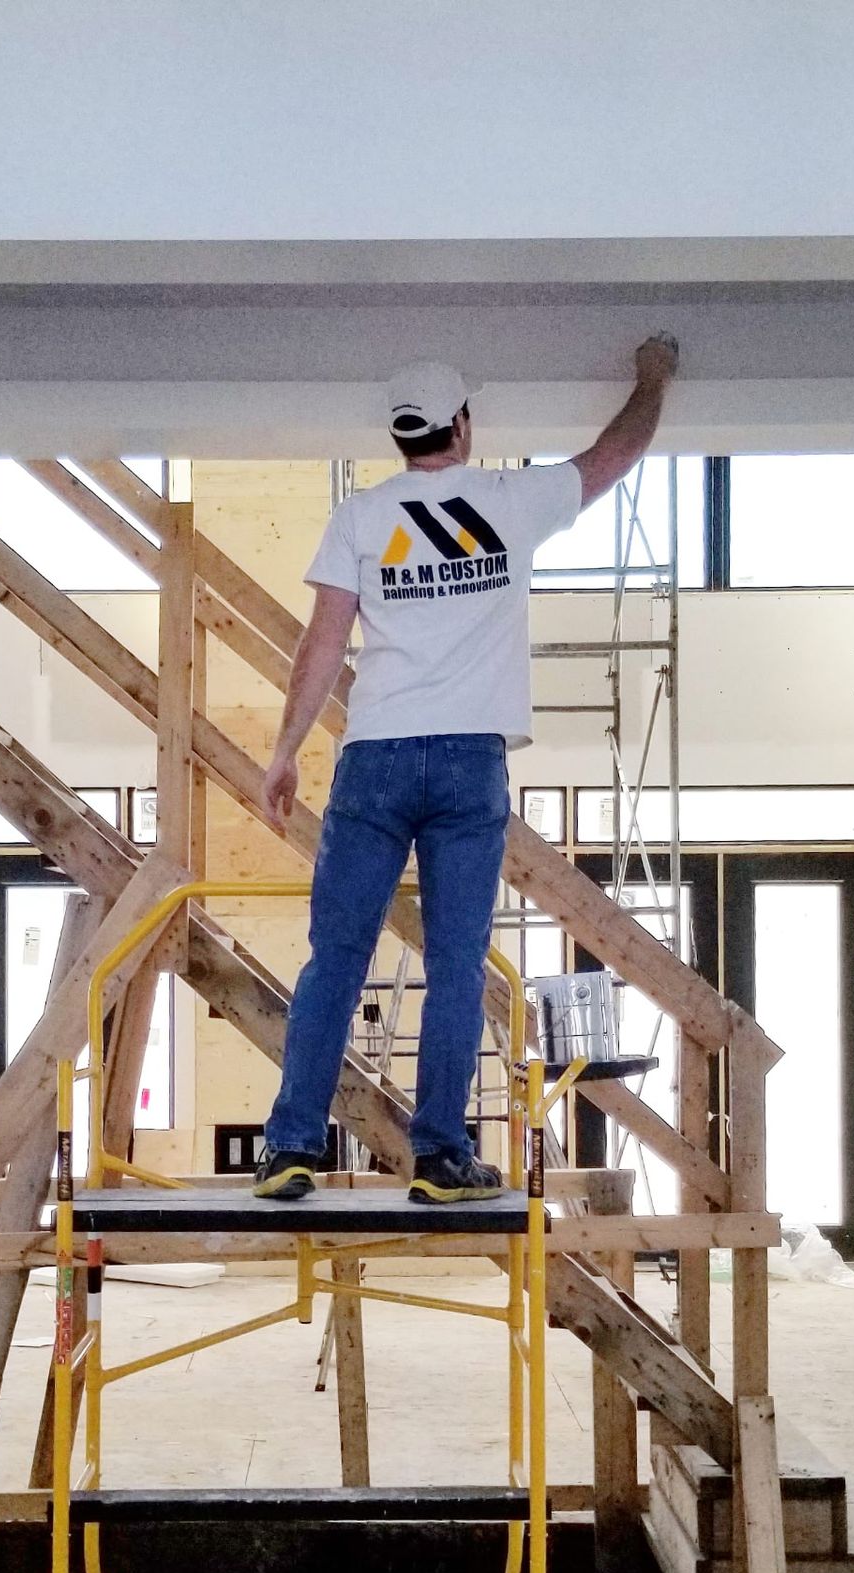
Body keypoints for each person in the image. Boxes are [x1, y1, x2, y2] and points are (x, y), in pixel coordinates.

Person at [254, 336, 681, 1202]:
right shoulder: (510, 501)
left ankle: (291, 1149)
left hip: (373, 756)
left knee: (335, 957)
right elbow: (618, 454)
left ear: (401, 436)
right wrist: (652, 377)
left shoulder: (363, 519)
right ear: (461, 425)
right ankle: (441, 1157)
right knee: (456, 963)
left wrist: (286, 749)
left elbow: (323, 643)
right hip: (467, 761)